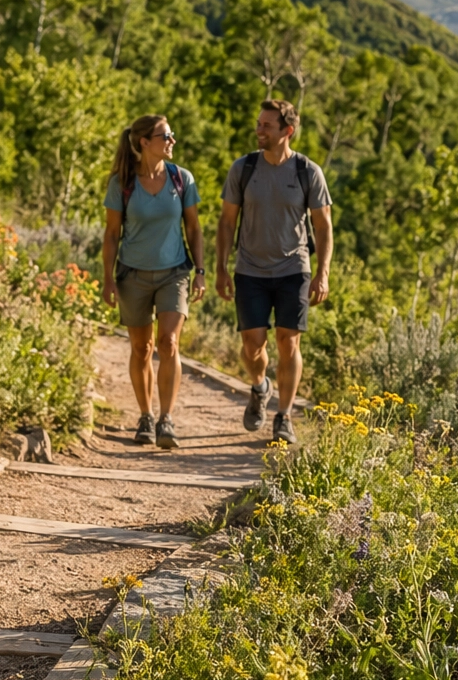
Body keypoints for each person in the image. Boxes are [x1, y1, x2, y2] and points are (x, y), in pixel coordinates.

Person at [213, 98, 332, 446]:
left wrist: (322, 273)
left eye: (267, 125)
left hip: (294, 267)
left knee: (288, 341)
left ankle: (284, 416)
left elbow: (324, 227)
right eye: (259, 124)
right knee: (252, 346)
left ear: (287, 131)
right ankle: (260, 386)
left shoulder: (307, 171)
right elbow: (226, 221)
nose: (259, 130)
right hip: (250, 268)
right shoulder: (243, 168)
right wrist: (220, 269)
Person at [100, 115, 202, 448]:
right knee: (142, 348)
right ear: (145, 142)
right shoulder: (122, 183)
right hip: (133, 275)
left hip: (174, 273)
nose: (172, 140)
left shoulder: (181, 179)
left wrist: (200, 271)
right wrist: (107, 279)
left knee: (168, 343)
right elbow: (112, 234)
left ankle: (166, 420)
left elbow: (194, 229)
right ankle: (145, 415)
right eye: (166, 135)